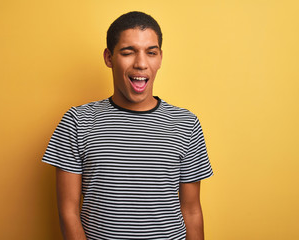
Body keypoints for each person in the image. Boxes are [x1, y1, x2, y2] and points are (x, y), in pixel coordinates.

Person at [42, 11, 213, 240]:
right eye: (127, 52)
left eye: (151, 52)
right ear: (109, 58)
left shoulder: (186, 124)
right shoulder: (77, 121)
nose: (141, 63)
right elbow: (68, 212)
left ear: (160, 58)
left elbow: (191, 212)